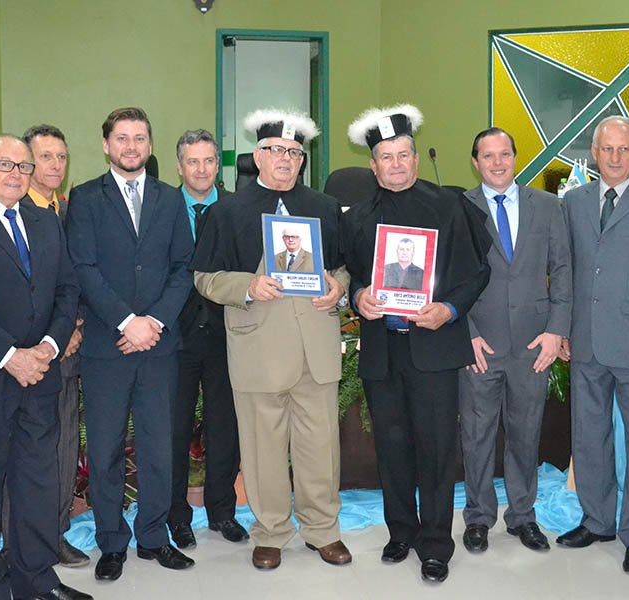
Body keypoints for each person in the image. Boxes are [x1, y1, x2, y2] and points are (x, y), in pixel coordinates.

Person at [192, 108, 351, 571]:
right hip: (258, 346)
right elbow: (204, 277)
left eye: (295, 152)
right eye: (276, 150)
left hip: (315, 346)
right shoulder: (227, 211)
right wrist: (248, 286)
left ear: (303, 160)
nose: (285, 159)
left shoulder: (324, 207)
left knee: (320, 447)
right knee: (263, 449)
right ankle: (271, 532)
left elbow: (342, 268)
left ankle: (323, 530)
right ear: (257, 156)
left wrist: (338, 288)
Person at [342, 104, 490, 583]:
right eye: (386, 157)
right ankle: (400, 532)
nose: (396, 164)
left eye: (403, 154)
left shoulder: (450, 206)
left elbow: (477, 273)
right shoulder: (357, 217)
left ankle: (435, 543)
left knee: (437, 449)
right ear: (373, 165)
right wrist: (357, 296)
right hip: (383, 350)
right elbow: (348, 275)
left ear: (416, 159)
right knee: (392, 446)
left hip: (434, 346)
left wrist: (449, 309)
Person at [65, 107, 196, 580]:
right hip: (107, 347)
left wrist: (153, 321)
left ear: (150, 144)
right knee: (105, 449)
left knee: (159, 447)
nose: (131, 146)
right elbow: (83, 268)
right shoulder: (85, 198)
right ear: (106, 145)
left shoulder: (170, 199)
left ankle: (154, 537)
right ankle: (112, 542)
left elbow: (183, 267)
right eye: (122, 138)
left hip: (158, 346)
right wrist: (126, 322)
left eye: (139, 138)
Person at [0, 134, 88, 600]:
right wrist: (10, 355)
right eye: (5, 164)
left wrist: (49, 346)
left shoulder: (45, 220)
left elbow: (67, 289)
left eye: (23, 166)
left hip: (41, 375)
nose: (16, 174)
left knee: (37, 483)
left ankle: (36, 580)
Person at [557, 115, 629, 575]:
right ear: (594, 152)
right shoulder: (574, 201)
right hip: (585, 340)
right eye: (607, 149)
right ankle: (597, 520)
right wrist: (563, 329)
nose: (614, 157)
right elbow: (566, 271)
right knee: (588, 436)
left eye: (623, 149)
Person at [458, 127, 570, 555]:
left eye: (504, 154)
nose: (498, 163)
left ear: (515, 157)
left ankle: (523, 516)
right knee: (477, 435)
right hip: (480, 345)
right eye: (488, 156)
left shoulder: (547, 205)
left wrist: (556, 330)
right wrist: (466, 335)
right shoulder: (461, 208)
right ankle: (478, 517)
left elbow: (563, 270)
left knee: (526, 433)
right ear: (475, 162)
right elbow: (449, 275)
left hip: (533, 343)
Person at [167, 129, 248, 548]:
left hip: (226, 335)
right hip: (173, 339)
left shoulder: (238, 209)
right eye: (192, 162)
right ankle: (176, 516)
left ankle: (222, 512)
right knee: (174, 430)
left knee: (225, 427)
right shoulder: (161, 208)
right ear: (179, 166)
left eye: (209, 161)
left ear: (219, 165)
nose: (201, 169)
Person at [20, 124, 90, 568]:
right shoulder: (15, 211)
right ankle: (22, 537)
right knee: (30, 452)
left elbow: (78, 276)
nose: (55, 165)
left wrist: (75, 326)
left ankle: (57, 531)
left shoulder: (68, 210)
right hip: (28, 356)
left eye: (61, 157)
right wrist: (53, 338)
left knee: (64, 445)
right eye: (45, 157)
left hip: (70, 351)